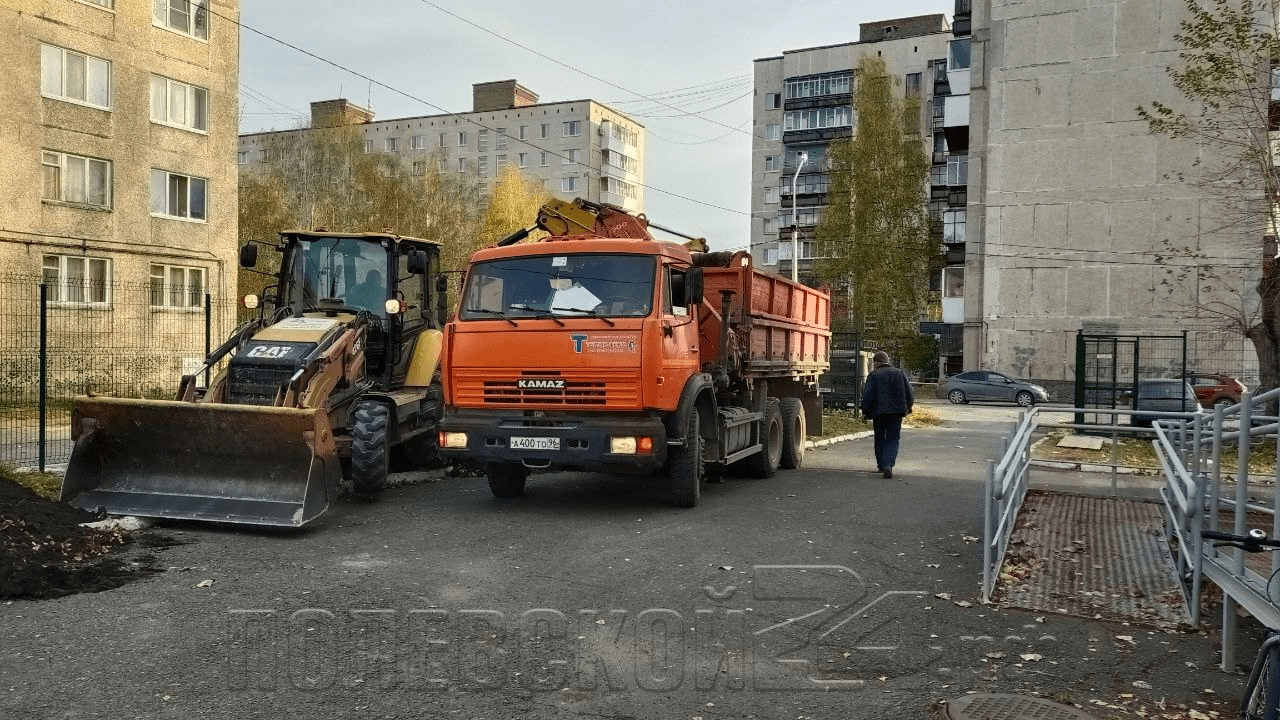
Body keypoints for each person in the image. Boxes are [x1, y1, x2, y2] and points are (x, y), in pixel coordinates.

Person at [860, 350, 914, 478]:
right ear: (887, 362)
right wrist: (908, 407)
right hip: (896, 412)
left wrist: (865, 412)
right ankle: (888, 464)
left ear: (876, 363)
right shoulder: (899, 373)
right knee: (893, 438)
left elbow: (868, 395)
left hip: (878, 413)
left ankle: (881, 465)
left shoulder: (874, 375)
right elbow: (910, 392)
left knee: (880, 438)